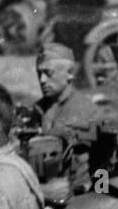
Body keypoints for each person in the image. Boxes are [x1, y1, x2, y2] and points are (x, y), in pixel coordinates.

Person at [33, 42, 109, 192]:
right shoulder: (38, 108)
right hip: (43, 189)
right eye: (39, 73)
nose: (42, 80)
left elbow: (106, 160)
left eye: (48, 73)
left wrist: (100, 193)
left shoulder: (89, 111)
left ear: (70, 73)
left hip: (77, 194)